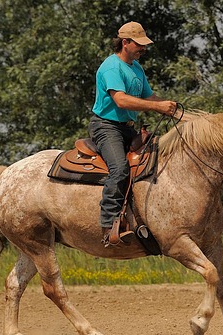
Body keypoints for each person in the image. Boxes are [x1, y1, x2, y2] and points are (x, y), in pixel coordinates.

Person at [88, 21, 177, 246]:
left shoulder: (136, 67)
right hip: (106, 127)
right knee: (119, 169)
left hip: (127, 128)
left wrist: (175, 111)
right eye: (139, 45)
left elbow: (149, 97)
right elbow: (120, 99)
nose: (143, 49)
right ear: (125, 43)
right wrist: (157, 108)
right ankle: (108, 227)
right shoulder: (111, 67)